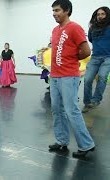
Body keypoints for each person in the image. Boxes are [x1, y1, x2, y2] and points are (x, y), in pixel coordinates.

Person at [48, 0, 95, 158]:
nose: (54, 13)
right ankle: (62, 140)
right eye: (53, 11)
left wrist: (72, 59)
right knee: (57, 110)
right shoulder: (55, 30)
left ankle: (86, 144)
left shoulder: (74, 28)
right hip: (54, 75)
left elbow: (86, 51)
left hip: (69, 76)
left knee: (71, 111)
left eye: (57, 10)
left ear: (67, 10)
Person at [82, 6, 110, 113]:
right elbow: (90, 39)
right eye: (98, 14)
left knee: (102, 76)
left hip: (108, 58)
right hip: (95, 57)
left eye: (102, 14)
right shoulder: (93, 28)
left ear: (107, 15)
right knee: (87, 79)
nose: (100, 16)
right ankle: (87, 102)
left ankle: (96, 100)